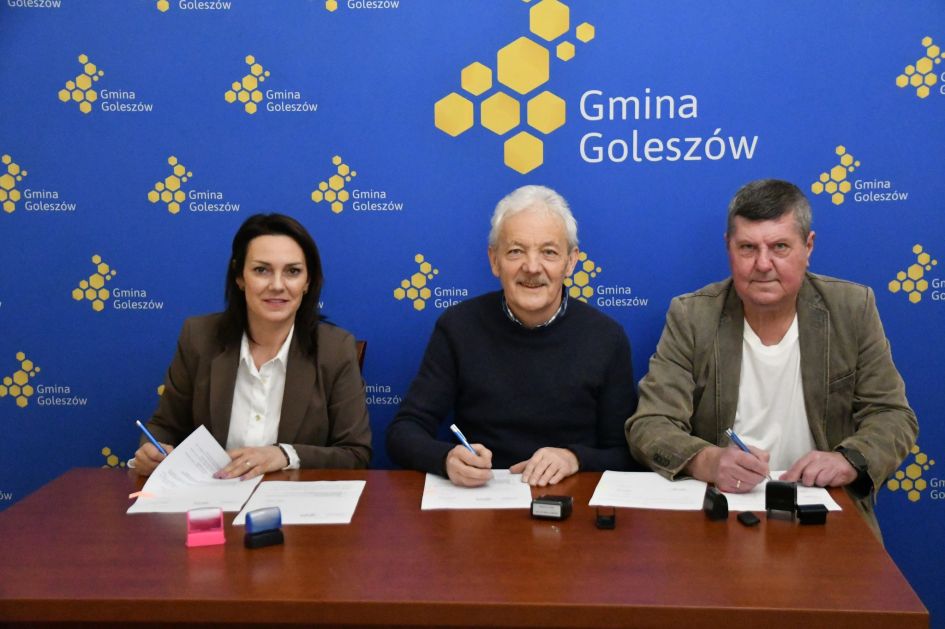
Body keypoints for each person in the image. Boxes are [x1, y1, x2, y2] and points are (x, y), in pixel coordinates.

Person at [626, 179, 917, 536]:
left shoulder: (852, 309)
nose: (763, 264)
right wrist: (709, 461)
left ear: (808, 246)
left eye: (780, 247)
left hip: (825, 511)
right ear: (728, 248)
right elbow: (650, 423)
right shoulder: (692, 317)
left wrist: (848, 460)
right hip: (720, 515)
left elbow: (892, 415)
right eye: (748, 248)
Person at [386, 185, 639, 487]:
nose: (532, 267)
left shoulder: (606, 337)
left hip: (571, 500)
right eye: (516, 251)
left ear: (571, 262)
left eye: (548, 252)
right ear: (494, 260)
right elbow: (404, 432)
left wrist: (575, 458)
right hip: (480, 496)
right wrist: (446, 459)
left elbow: (626, 454)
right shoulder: (458, 327)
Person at [133, 213, 371, 479]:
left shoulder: (335, 349)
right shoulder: (199, 338)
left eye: (292, 271)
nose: (277, 285)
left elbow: (355, 454)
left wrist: (284, 455)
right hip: (212, 497)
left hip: (292, 500)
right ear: (240, 277)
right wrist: (151, 452)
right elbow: (165, 426)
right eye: (261, 270)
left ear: (308, 282)